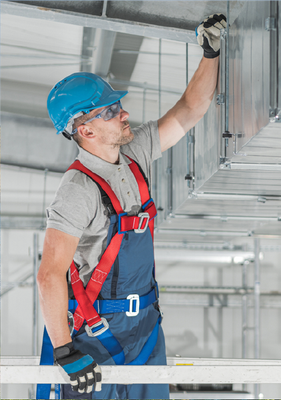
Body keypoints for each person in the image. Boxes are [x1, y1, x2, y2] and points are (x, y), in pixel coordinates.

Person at [36, 14, 226, 400]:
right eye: (110, 111)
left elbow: (191, 108)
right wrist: (64, 351)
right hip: (91, 334)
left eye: (118, 105)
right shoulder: (78, 189)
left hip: (145, 328)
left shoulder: (134, 152)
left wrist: (210, 53)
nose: (123, 114)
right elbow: (49, 274)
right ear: (85, 129)